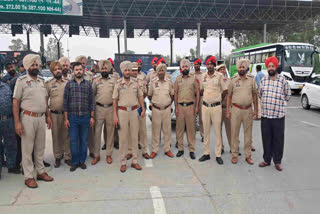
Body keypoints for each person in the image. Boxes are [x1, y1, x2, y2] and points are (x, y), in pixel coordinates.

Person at [13, 54, 54, 188]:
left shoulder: (42, 81)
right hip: (27, 118)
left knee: (40, 147)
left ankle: (41, 172)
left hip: (41, 118)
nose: (35, 67)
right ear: (26, 67)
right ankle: (29, 176)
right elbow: (16, 102)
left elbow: (44, 101)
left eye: (36, 64)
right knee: (27, 149)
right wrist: (17, 122)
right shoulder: (22, 81)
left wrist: (48, 116)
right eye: (32, 65)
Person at [258, 56, 291, 171]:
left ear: (276, 67)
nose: (271, 68)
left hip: (278, 116)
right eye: (269, 66)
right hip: (266, 116)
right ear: (267, 68)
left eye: (273, 66)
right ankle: (267, 160)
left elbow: (288, 95)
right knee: (266, 138)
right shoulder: (263, 80)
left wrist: (279, 105)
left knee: (278, 139)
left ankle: (277, 161)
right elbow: (260, 94)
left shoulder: (282, 80)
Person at [112, 61, 145, 173]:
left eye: (129, 70)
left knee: (135, 137)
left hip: (134, 111)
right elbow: (114, 100)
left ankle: (135, 161)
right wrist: (115, 115)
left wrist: (143, 108)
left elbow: (140, 96)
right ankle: (123, 162)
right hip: (122, 112)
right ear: (122, 71)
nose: (127, 72)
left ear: (131, 71)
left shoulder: (135, 82)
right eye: (125, 70)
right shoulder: (118, 83)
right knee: (123, 138)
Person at [63, 62, 95, 172]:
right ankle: (75, 162)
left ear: (83, 71)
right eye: (76, 70)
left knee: (84, 140)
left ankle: (82, 161)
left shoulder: (88, 84)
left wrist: (92, 117)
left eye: (80, 69)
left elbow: (92, 102)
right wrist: (66, 119)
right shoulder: (69, 85)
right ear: (73, 71)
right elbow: (65, 103)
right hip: (73, 117)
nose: (79, 71)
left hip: (85, 117)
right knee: (73, 140)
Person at [226, 59, 258, 165]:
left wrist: (256, 110)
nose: (241, 69)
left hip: (248, 110)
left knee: (248, 134)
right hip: (235, 110)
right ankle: (234, 155)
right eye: (240, 67)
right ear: (237, 68)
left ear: (246, 68)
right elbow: (229, 96)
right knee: (234, 133)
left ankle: (248, 155)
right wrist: (228, 111)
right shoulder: (233, 80)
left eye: (243, 67)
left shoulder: (251, 80)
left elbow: (254, 95)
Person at [198, 56, 227, 165]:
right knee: (206, 131)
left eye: (211, 64)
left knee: (217, 131)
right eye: (208, 64)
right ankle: (206, 153)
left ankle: (218, 154)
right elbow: (202, 89)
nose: (209, 66)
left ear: (214, 65)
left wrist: (218, 99)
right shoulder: (203, 76)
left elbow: (225, 90)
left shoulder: (219, 76)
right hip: (205, 107)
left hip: (216, 107)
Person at [45, 61, 71, 168]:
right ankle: (57, 157)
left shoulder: (68, 82)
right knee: (56, 136)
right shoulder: (48, 84)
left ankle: (68, 157)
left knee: (67, 136)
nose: (58, 71)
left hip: (67, 114)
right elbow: (45, 101)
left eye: (59, 69)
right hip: (54, 114)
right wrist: (48, 117)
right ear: (52, 72)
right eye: (55, 69)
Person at [174, 59, 200, 160]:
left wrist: (197, 106)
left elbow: (197, 92)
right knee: (179, 129)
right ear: (181, 68)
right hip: (180, 107)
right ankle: (180, 149)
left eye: (186, 66)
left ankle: (191, 150)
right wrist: (176, 107)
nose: (185, 68)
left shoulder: (194, 78)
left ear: (189, 68)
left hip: (190, 107)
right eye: (183, 66)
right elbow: (175, 93)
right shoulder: (178, 79)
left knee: (191, 130)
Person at [92, 60, 116, 165]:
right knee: (97, 133)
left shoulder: (114, 80)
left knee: (110, 133)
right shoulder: (96, 81)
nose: (104, 70)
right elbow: (92, 95)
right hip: (99, 109)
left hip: (110, 109)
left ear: (109, 69)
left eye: (106, 68)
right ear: (100, 69)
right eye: (103, 68)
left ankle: (108, 154)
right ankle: (96, 155)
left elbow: (116, 96)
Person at [148, 63, 175, 158]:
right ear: (157, 72)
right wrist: (156, 103)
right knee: (155, 130)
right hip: (156, 110)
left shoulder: (169, 82)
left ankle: (167, 149)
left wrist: (167, 103)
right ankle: (154, 150)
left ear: (165, 72)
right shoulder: (153, 82)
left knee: (167, 130)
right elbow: (149, 95)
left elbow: (172, 95)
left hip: (166, 109)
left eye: (163, 70)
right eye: (159, 70)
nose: (161, 72)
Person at [126, 62, 150, 160]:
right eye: (133, 70)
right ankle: (130, 151)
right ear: (130, 71)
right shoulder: (126, 81)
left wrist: (140, 102)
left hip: (140, 108)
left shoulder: (142, 81)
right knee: (130, 131)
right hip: (130, 108)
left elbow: (145, 93)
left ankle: (144, 151)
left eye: (136, 70)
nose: (135, 72)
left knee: (142, 131)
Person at [75, 55, 95, 158]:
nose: (83, 66)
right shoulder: (72, 76)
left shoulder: (90, 76)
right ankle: (78, 152)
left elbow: (93, 93)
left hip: (87, 108)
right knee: (77, 134)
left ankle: (91, 150)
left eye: (84, 63)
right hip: (77, 109)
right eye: (80, 63)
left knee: (90, 132)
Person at [0, 76, 20, 180]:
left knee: (11, 144)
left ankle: (11, 165)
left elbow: (14, 102)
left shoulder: (6, 87)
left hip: (8, 120)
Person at [216, 64, 232, 154]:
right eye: (220, 69)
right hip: (218, 107)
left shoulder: (229, 81)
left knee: (230, 129)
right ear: (217, 71)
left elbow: (232, 94)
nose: (222, 71)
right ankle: (220, 147)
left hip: (227, 108)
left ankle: (232, 147)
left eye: (224, 69)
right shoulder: (215, 81)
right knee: (218, 129)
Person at [192, 58, 204, 142]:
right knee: (192, 117)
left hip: (202, 97)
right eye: (195, 64)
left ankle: (203, 135)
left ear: (200, 65)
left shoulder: (203, 75)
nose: (196, 65)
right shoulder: (191, 75)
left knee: (202, 117)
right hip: (193, 97)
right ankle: (192, 135)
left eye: (197, 64)